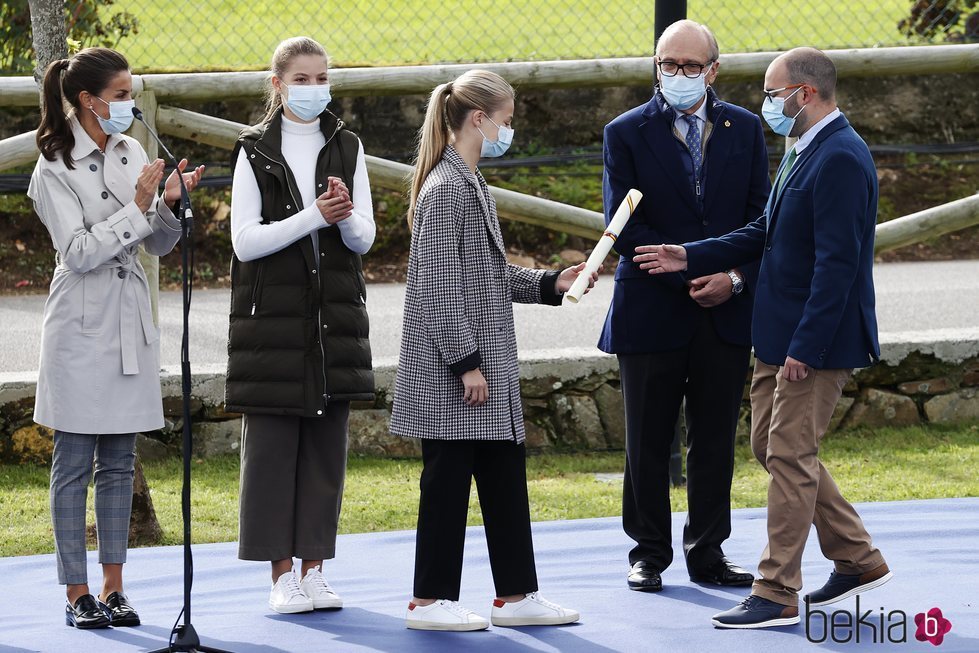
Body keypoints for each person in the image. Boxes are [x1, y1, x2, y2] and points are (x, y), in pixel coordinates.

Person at [635, 47, 891, 629]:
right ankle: (856, 556)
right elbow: (765, 231)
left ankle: (776, 590)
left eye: (775, 94)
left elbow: (837, 266)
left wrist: (807, 346)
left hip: (810, 342)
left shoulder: (842, 157)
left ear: (806, 94)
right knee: (769, 448)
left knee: (791, 455)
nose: (766, 105)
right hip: (776, 336)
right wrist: (688, 254)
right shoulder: (803, 149)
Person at [390, 69, 592, 632]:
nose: (511, 128)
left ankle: (516, 593)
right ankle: (428, 601)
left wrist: (552, 283)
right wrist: (465, 364)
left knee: (504, 476)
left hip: (485, 365)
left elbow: (486, 276)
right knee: (447, 483)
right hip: (456, 369)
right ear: (479, 119)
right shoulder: (447, 189)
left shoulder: (470, 183)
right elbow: (433, 288)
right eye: (506, 119)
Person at [29, 47, 204, 629]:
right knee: (75, 460)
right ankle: (76, 590)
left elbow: (154, 245)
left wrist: (167, 207)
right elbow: (77, 253)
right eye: (122, 94)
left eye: (133, 93)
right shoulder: (51, 166)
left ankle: (114, 587)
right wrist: (139, 206)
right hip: (80, 324)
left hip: (130, 318)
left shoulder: (131, 150)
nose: (130, 104)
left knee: (120, 461)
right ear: (89, 100)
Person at [600, 19, 770, 593]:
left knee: (715, 438)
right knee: (647, 439)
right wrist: (689, 275)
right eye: (666, 64)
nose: (676, 75)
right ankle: (648, 552)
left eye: (689, 66)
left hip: (724, 310)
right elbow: (624, 224)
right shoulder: (624, 132)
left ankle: (708, 551)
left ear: (713, 70)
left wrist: (734, 278)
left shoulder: (745, 130)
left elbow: (761, 223)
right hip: (652, 305)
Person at [226, 36, 375, 615]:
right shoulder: (252, 150)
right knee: (270, 454)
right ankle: (280, 575)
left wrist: (341, 218)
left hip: (332, 320)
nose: (314, 89)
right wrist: (313, 215)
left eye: (321, 78)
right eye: (302, 79)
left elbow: (364, 237)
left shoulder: (347, 145)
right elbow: (245, 242)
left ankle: (314, 569)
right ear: (277, 85)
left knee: (323, 453)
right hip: (272, 324)